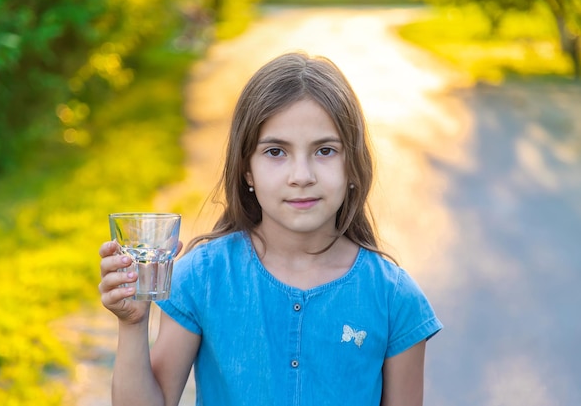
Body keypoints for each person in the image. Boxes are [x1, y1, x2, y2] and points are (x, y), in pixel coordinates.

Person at [99, 51, 442, 406]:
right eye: (276, 152)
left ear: (352, 166)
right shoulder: (203, 278)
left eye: (324, 150)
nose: (301, 177)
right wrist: (133, 325)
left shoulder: (394, 299)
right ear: (247, 170)